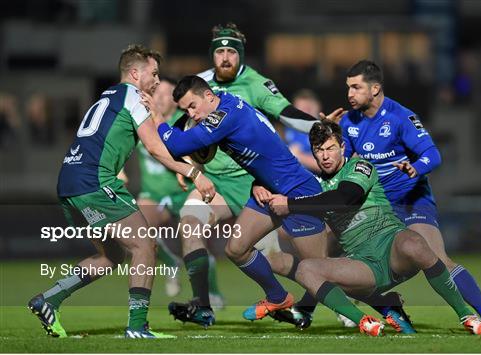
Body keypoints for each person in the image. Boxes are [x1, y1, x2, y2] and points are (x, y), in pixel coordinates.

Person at [28, 44, 214, 339]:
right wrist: (193, 172)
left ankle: (50, 299)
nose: (156, 80)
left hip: (69, 184)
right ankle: (138, 327)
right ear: (135, 73)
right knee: (145, 246)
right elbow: (155, 148)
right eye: (153, 74)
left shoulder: (106, 97)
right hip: (94, 182)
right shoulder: (133, 97)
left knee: (112, 256)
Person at [330, 59, 481, 333]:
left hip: (411, 199)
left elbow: (433, 155)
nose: (349, 94)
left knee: (438, 259)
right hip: (378, 204)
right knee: (345, 261)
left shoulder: (401, 117)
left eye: (356, 87)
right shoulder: (349, 122)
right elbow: (346, 162)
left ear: (375, 88)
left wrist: (415, 167)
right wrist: (330, 132)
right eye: (348, 88)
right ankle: (388, 306)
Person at [268, 120, 481, 336]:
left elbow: (345, 197)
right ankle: (366, 321)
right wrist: (261, 187)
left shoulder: (360, 166)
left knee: (414, 242)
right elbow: (277, 181)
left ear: (342, 147)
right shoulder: (314, 185)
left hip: (393, 250)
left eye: (331, 148)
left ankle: (466, 316)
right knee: (306, 270)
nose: (325, 156)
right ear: (313, 152)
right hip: (364, 266)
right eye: (319, 150)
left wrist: (290, 205)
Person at [166, 23, 322, 328]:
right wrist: (190, 168)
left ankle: (326, 289)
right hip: (215, 182)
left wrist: (317, 125)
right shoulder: (199, 85)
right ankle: (203, 305)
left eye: (231, 52)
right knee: (190, 223)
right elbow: (180, 128)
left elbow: (286, 113)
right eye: (220, 52)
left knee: (273, 260)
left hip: (253, 184)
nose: (225, 58)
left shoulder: (256, 84)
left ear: (241, 55)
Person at [134, 76, 224, 302]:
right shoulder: (142, 121)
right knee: (135, 226)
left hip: (183, 191)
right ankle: (170, 263)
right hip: (154, 194)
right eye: (158, 93)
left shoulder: (184, 122)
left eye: (167, 94)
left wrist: (189, 168)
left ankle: (211, 292)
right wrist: (116, 169)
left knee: (197, 244)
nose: (161, 98)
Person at [284, 89, 321, 173]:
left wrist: (298, 156)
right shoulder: (291, 128)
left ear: (316, 106)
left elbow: (328, 165)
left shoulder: (325, 131)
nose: (302, 113)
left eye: (307, 109)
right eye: (299, 110)